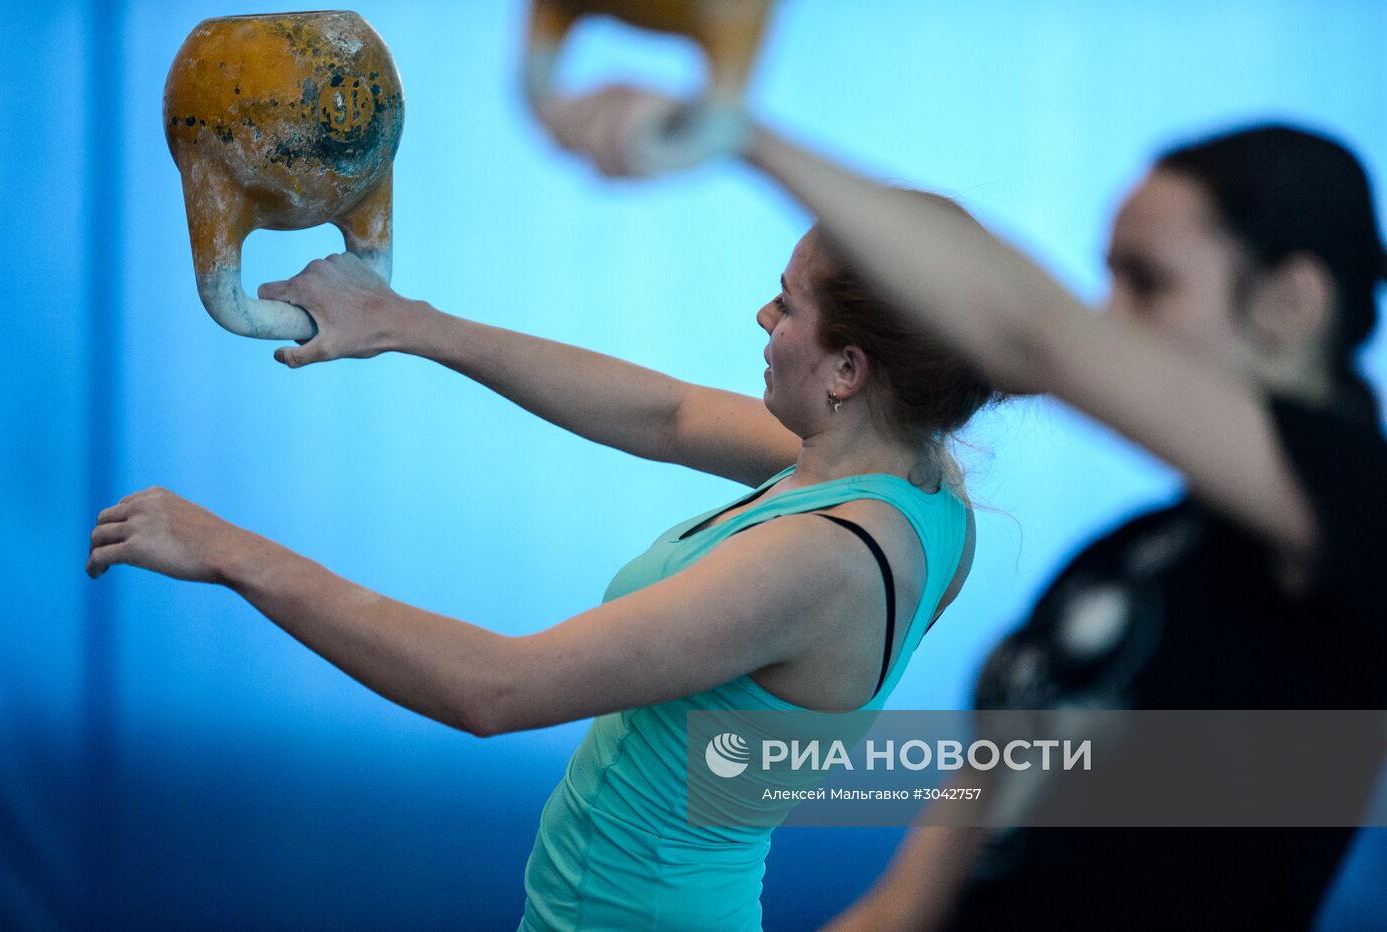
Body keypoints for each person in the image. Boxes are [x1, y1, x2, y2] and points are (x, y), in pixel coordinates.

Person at [537, 92, 1387, 928]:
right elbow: (917, 898)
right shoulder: (1127, 563)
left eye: (1149, 284)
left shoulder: (1362, 513)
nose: (1108, 322)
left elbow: (1035, 332)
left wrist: (740, 135)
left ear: (1290, 304)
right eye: (1108, 279)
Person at [86, 217, 996, 928]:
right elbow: (668, 415)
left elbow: (495, 689)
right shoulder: (920, 488)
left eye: (786, 303)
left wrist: (233, 553)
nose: (765, 317)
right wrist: (410, 325)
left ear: (847, 366)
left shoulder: (821, 560)